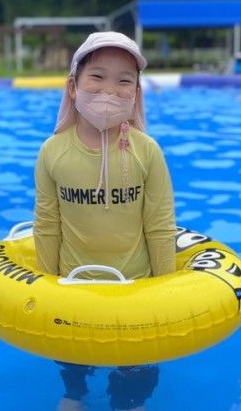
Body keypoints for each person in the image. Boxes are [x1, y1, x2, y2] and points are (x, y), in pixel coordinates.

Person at [33, 31, 176, 411]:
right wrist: (46, 286)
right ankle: (75, 391)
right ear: (73, 87)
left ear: (136, 94)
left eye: (124, 80)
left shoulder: (148, 152)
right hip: (73, 285)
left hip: (136, 286)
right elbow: (47, 223)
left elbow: (160, 224)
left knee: (137, 372)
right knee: (72, 359)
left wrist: (165, 292)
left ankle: (128, 401)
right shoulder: (53, 152)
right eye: (97, 76)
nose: (110, 90)